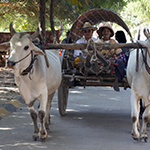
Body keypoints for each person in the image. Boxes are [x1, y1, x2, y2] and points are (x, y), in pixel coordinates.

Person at [96, 23, 126, 92]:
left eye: (108, 31)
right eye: (104, 31)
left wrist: (115, 58)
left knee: (120, 62)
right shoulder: (98, 42)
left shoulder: (114, 42)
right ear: (102, 33)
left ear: (110, 33)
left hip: (113, 62)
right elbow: (96, 54)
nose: (106, 32)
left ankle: (116, 80)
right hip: (100, 62)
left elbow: (119, 53)